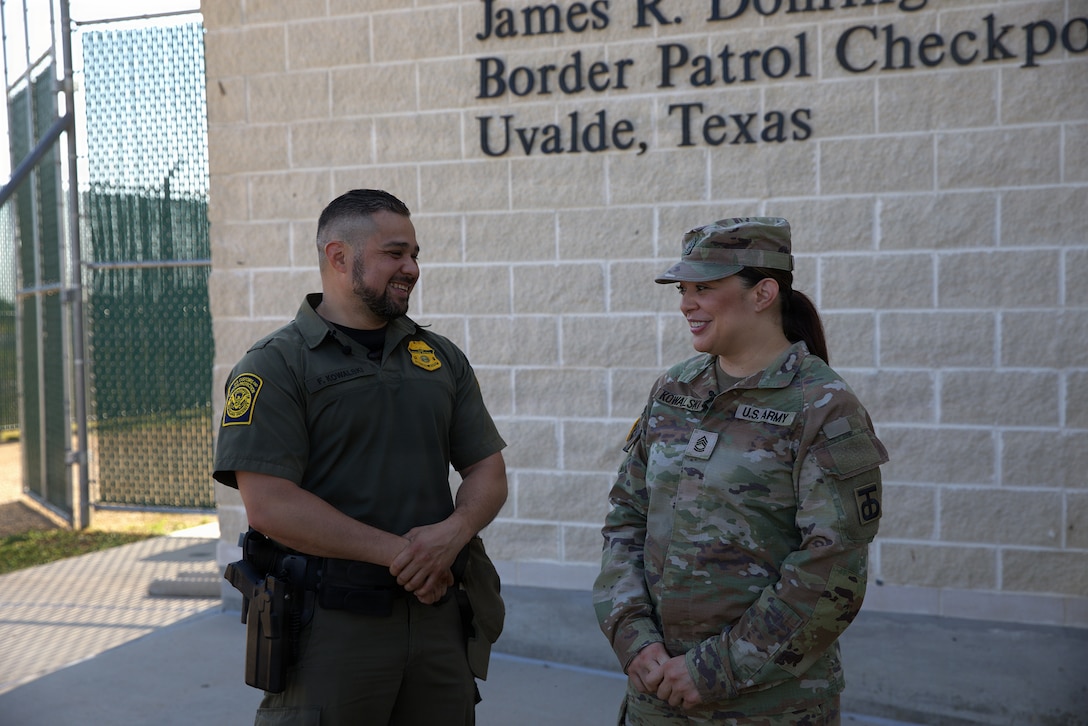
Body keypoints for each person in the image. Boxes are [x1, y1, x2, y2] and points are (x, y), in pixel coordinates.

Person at [213, 189, 508, 725]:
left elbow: (487, 469)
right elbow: (271, 506)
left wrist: (455, 532)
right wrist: (406, 555)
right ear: (338, 256)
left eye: (415, 254)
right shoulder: (275, 367)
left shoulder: (439, 358)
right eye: (395, 253)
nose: (411, 268)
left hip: (438, 619)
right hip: (331, 631)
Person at [593, 217, 888, 725]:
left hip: (767, 704)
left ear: (763, 293)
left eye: (704, 287)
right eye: (684, 289)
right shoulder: (674, 390)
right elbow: (626, 520)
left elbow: (833, 570)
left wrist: (712, 671)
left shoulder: (822, 406)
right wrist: (633, 638)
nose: (687, 302)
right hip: (657, 692)